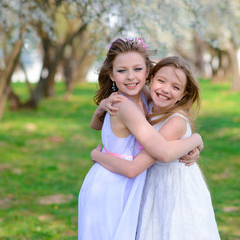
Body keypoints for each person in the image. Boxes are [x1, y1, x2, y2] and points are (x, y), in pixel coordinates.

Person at [78, 38, 203, 240]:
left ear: (147, 73)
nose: (130, 77)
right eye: (121, 71)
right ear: (111, 74)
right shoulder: (125, 105)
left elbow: (96, 125)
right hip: (113, 185)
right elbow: (159, 154)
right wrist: (196, 138)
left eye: (137, 69)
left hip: (125, 181)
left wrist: (101, 107)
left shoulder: (144, 94)